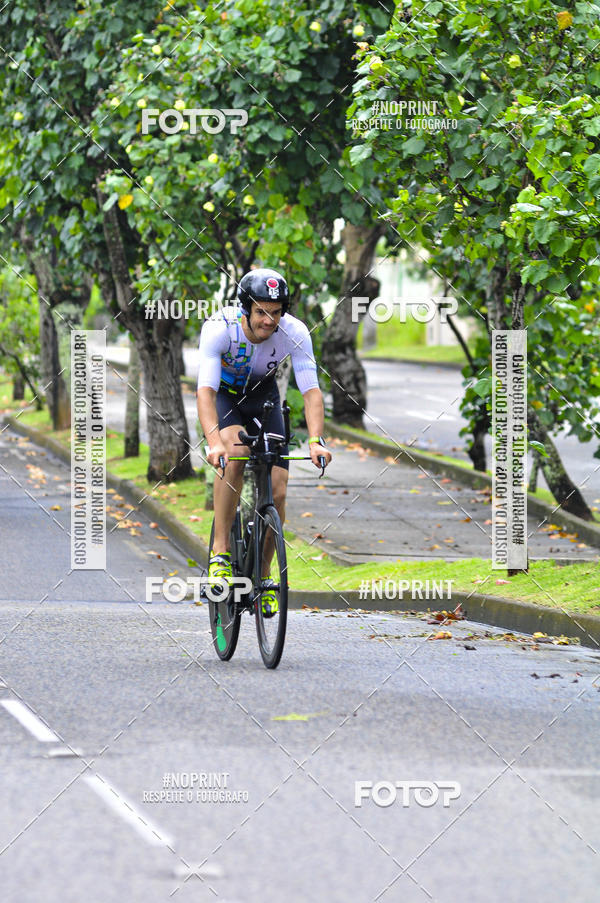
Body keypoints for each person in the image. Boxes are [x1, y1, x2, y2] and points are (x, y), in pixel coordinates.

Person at [196, 267, 332, 616]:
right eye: (261, 311)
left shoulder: (295, 332)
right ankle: (221, 552)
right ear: (246, 309)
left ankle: (265, 573)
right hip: (226, 397)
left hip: (264, 397)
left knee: (279, 488)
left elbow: (312, 391)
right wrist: (214, 442)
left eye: (275, 312)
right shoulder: (219, 329)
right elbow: (206, 393)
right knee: (236, 452)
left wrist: (316, 440)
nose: (269, 320)